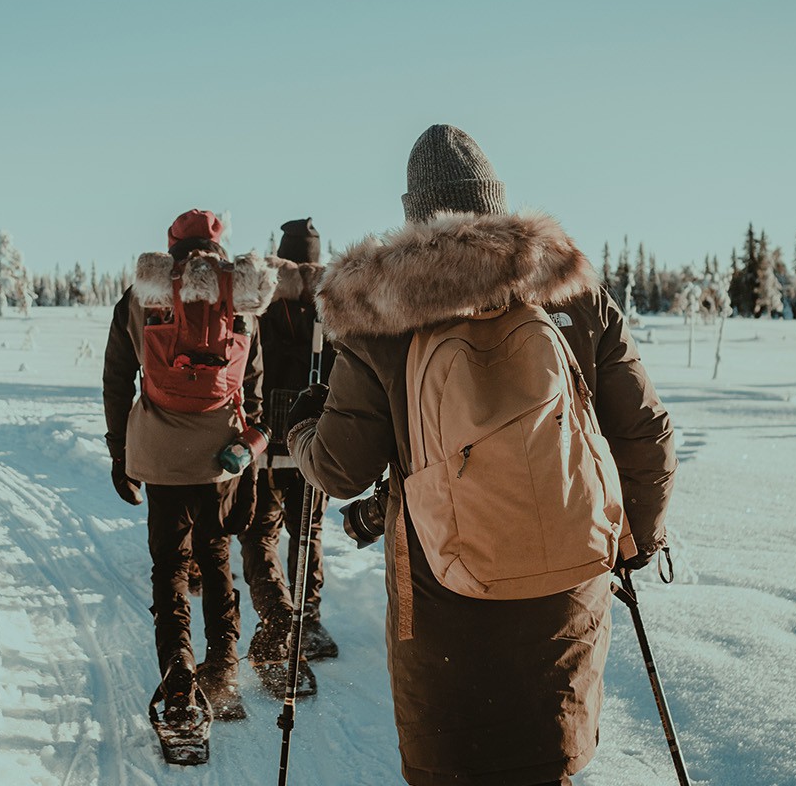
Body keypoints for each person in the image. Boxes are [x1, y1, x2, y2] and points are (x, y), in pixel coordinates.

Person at [288, 125, 677, 786]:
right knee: (549, 765)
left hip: (444, 612)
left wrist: (302, 427)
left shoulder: (381, 315)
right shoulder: (572, 294)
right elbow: (646, 434)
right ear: (496, 206)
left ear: (416, 215)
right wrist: (634, 539)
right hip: (567, 590)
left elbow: (341, 468)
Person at [102, 209, 279, 723]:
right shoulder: (241, 300)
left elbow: (117, 380)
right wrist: (249, 451)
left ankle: (178, 680)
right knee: (216, 558)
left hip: (158, 455)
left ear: (172, 246)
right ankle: (223, 672)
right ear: (219, 248)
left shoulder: (141, 297)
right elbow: (255, 387)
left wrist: (121, 453)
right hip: (220, 457)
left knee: (169, 569)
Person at [239, 218, 339, 669]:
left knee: (261, 532)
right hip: (312, 439)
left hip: (263, 437)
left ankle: (276, 613)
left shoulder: (259, 302)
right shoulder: (332, 308)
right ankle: (308, 619)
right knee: (307, 531)